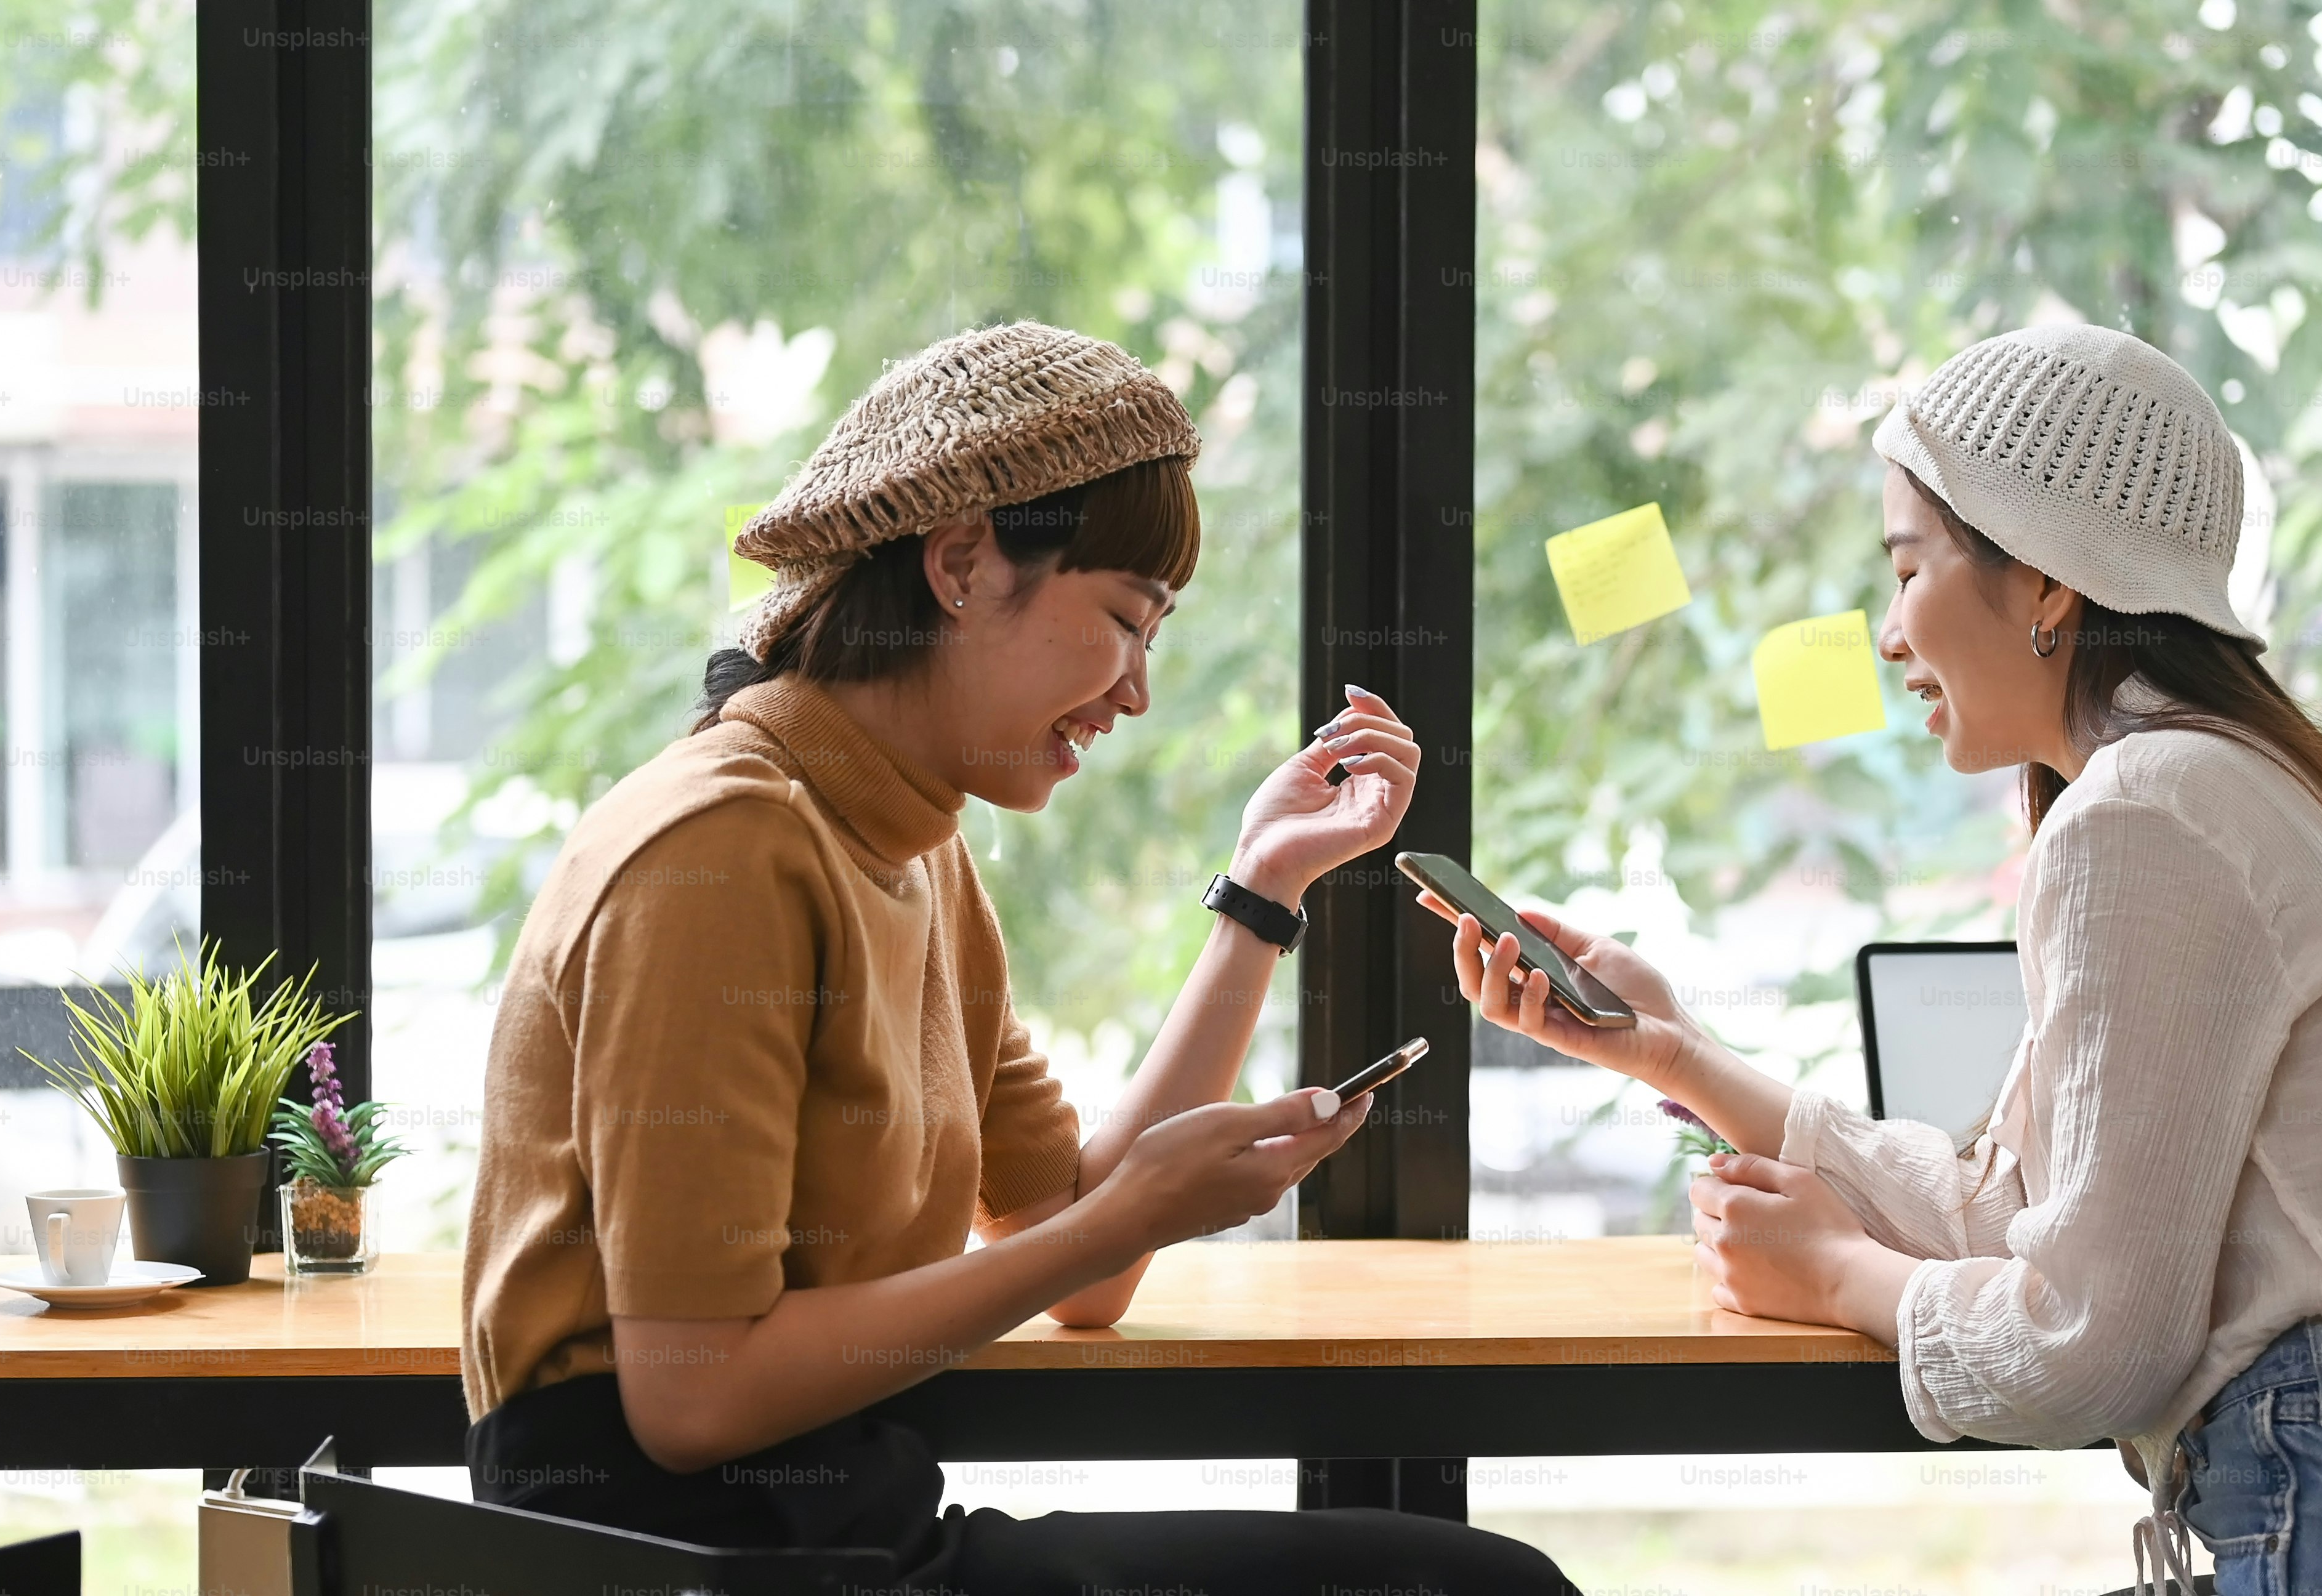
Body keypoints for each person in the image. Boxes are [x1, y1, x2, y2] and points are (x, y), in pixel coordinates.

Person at [1419, 324, 2322, 1595]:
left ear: (2051, 585)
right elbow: (2019, 1214)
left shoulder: (2147, 812)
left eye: (1908, 571)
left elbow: (2094, 1344)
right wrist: (1677, 1054)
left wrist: (1845, 1278)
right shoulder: (2233, 780)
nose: (1890, 635)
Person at [463, 321, 1573, 1594]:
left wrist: (1265, 888)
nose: (1137, 692)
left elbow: (1071, 1240)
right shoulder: (724, 851)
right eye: (1123, 619)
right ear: (960, 565)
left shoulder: (912, 844)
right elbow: (694, 1402)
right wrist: (1118, 1218)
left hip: (848, 1543)